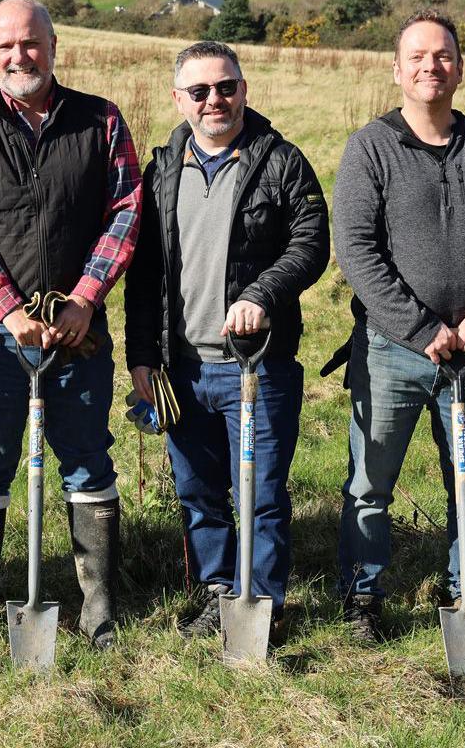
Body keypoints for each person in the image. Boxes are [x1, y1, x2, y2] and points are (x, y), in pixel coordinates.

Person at [0, 0, 144, 646]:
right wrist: (8, 311)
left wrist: (85, 296)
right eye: (6, 47)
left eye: (31, 44)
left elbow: (127, 209)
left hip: (80, 329)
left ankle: (100, 610)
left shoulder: (101, 121)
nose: (19, 56)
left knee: (85, 459)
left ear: (55, 47)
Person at [332, 11, 465, 642]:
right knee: (370, 484)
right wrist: (421, 328)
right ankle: (363, 597)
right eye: (418, 56)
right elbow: (357, 250)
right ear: (397, 70)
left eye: (444, 55)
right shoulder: (371, 148)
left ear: (460, 67)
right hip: (391, 351)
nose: (432, 66)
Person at [124, 41, 328, 639]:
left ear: (244, 88)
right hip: (180, 370)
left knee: (260, 495)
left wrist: (263, 294)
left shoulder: (281, 161)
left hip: (257, 367)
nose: (215, 100)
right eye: (200, 91)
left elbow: (311, 241)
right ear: (179, 99)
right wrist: (141, 356)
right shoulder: (161, 170)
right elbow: (142, 272)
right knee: (198, 492)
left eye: (226, 87)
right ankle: (217, 590)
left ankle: (263, 603)